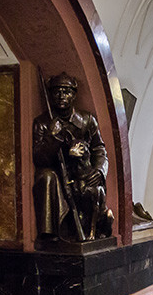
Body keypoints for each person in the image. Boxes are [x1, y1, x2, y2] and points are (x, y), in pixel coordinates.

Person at [33, 73, 113, 241]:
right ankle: (51, 235)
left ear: (74, 95)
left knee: (92, 190)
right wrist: (53, 137)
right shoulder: (42, 122)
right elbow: (40, 158)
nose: (62, 96)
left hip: (81, 171)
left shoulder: (87, 120)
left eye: (67, 92)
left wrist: (99, 171)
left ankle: (93, 230)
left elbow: (99, 148)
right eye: (57, 92)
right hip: (58, 172)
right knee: (47, 177)